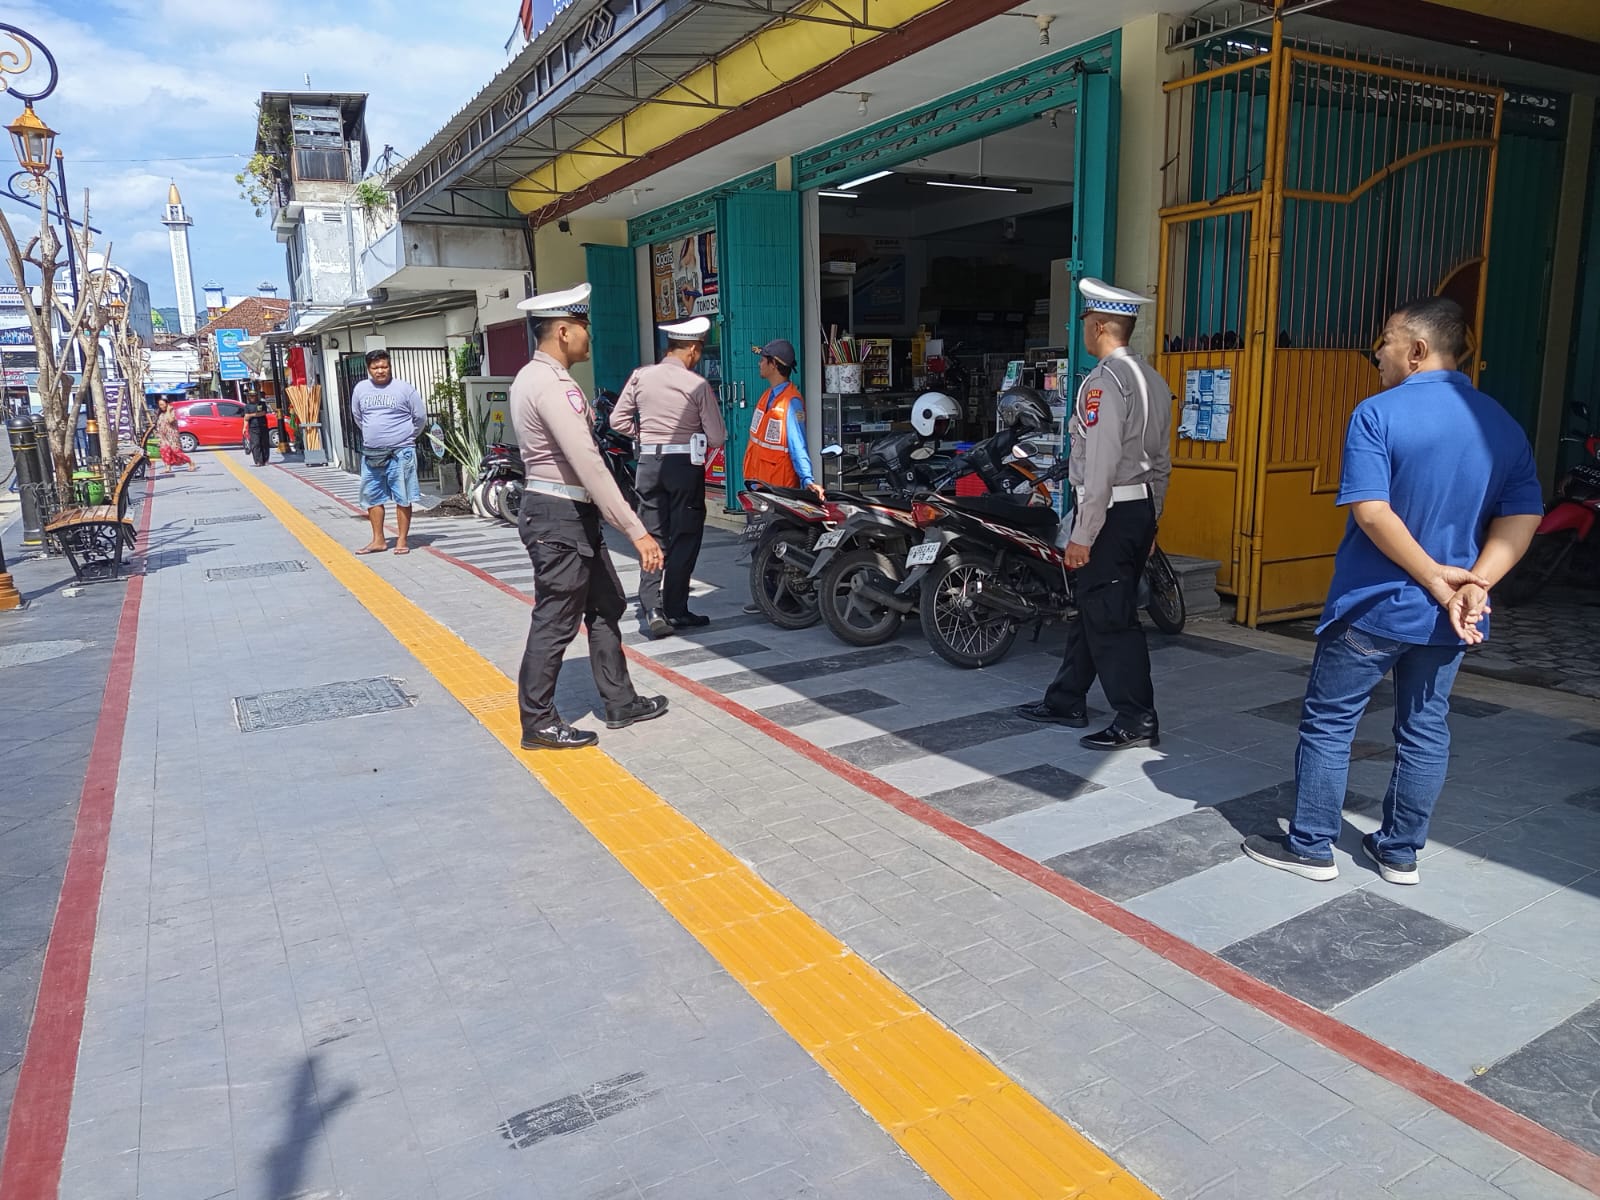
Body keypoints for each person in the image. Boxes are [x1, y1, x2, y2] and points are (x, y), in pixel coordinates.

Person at [1244, 297, 1542, 886]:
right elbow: (1522, 519)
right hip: (1449, 619)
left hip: (1374, 606)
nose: (1376, 353)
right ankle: (1400, 850)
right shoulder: (1502, 425)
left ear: (1418, 350)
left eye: (1384, 340)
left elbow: (1372, 512)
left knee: (1331, 723)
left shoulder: (1378, 413)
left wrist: (1434, 577)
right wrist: (1474, 585)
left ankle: (1310, 846)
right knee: (1425, 727)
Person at [1016, 277, 1173, 750]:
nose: (1084, 328)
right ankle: (1066, 698)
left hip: (1107, 514)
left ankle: (1136, 717)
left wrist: (1083, 534)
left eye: (1086, 320)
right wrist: (1153, 520)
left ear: (1100, 325)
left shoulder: (1104, 383)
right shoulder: (1153, 379)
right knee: (1094, 608)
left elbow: (1100, 466)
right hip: (1137, 509)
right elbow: (1162, 463)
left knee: (1111, 618)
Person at [510, 283, 669, 750]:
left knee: (604, 605)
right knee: (555, 619)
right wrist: (637, 531)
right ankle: (538, 722)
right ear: (562, 331)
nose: (589, 336)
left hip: (563, 513)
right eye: (583, 327)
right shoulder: (555, 386)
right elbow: (589, 464)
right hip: (560, 514)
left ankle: (619, 701)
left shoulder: (526, 377)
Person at [610, 316, 727, 639]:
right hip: (684, 467)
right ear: (691, 348)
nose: (698, 357)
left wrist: (643, 435)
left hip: (648, 464)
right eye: (698, 351)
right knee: (685, 537)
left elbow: (617, 420)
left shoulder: (640, 377)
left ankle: (651, 607)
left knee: (653, 535)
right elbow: (717, 437)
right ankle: (676, 608)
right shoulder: (697, 385)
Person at [740, 338, 824, 611]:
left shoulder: (791, 402)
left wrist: (808, 479)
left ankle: (782, 600)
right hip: (759, 483)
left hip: (777, 485)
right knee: (759, 543)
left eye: (762, 359)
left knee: (774, 545)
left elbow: (798, 444)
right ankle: (765, 595)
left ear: (774, 364)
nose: (758, 363)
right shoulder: (768, 396)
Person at [351, 349, 427, 555]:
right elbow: (358, 417)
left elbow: (420, 418)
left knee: (403, 496)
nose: (380, 371)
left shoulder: (404, 389)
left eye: (384, 366)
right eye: (375, 367)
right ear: (368, 369)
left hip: (401, 452)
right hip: (372, 453)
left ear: (390, 366)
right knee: (372, 496)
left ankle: (402, 541)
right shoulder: (360, 389)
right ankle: (378, 540)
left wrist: (406, 437)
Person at [154, 398, 197, 474]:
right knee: (164, 451)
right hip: (163, 436)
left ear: (167, 404)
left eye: (162, 404)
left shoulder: (171, 412)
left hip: (172, 436)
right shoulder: (160, 413)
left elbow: (170, 420)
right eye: (160, 405)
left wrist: (168, 410)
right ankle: (167, 467)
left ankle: (190, 462)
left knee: (176, 451)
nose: (161, 406)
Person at [244, 396, 271, 467]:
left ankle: (265, 460)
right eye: (251, 396)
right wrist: (244, 428)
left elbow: (263, 413)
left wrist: (251, 415)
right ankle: (258, 461)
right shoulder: (247, 406)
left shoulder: (262, 403)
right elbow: (246, 417)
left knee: (264, 443)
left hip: (263, 426)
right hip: (253, 428)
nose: (252, 397)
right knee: (255, 444)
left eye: (254, 396)